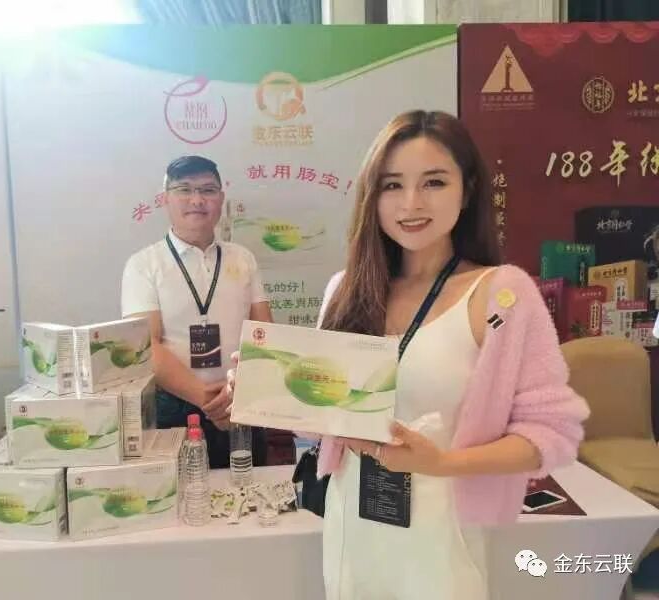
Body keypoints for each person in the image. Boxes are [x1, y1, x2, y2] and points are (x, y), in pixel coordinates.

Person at [228, 111, 589, 599]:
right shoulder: (346, 290)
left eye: (434, 182)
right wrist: (265, 389)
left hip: (441, 536)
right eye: (392, 185)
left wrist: (440, 462)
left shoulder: (501, 295)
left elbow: (551, 434)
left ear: (468, 189)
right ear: (371, 196)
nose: (411, 203)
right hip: (354, 525)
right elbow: (324, 419)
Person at [121, 155, 273, 468]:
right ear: (165, 198)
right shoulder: (144, 265)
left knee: (250, 490)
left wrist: (237, 391)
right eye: (184, 189)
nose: (197, 200)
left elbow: (265, 332)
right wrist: (205, 397)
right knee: (182, 494)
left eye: (207, 190)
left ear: (221, 198)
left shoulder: (243, 258)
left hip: (240, 403)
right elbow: (145, 346)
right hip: (174, 411)